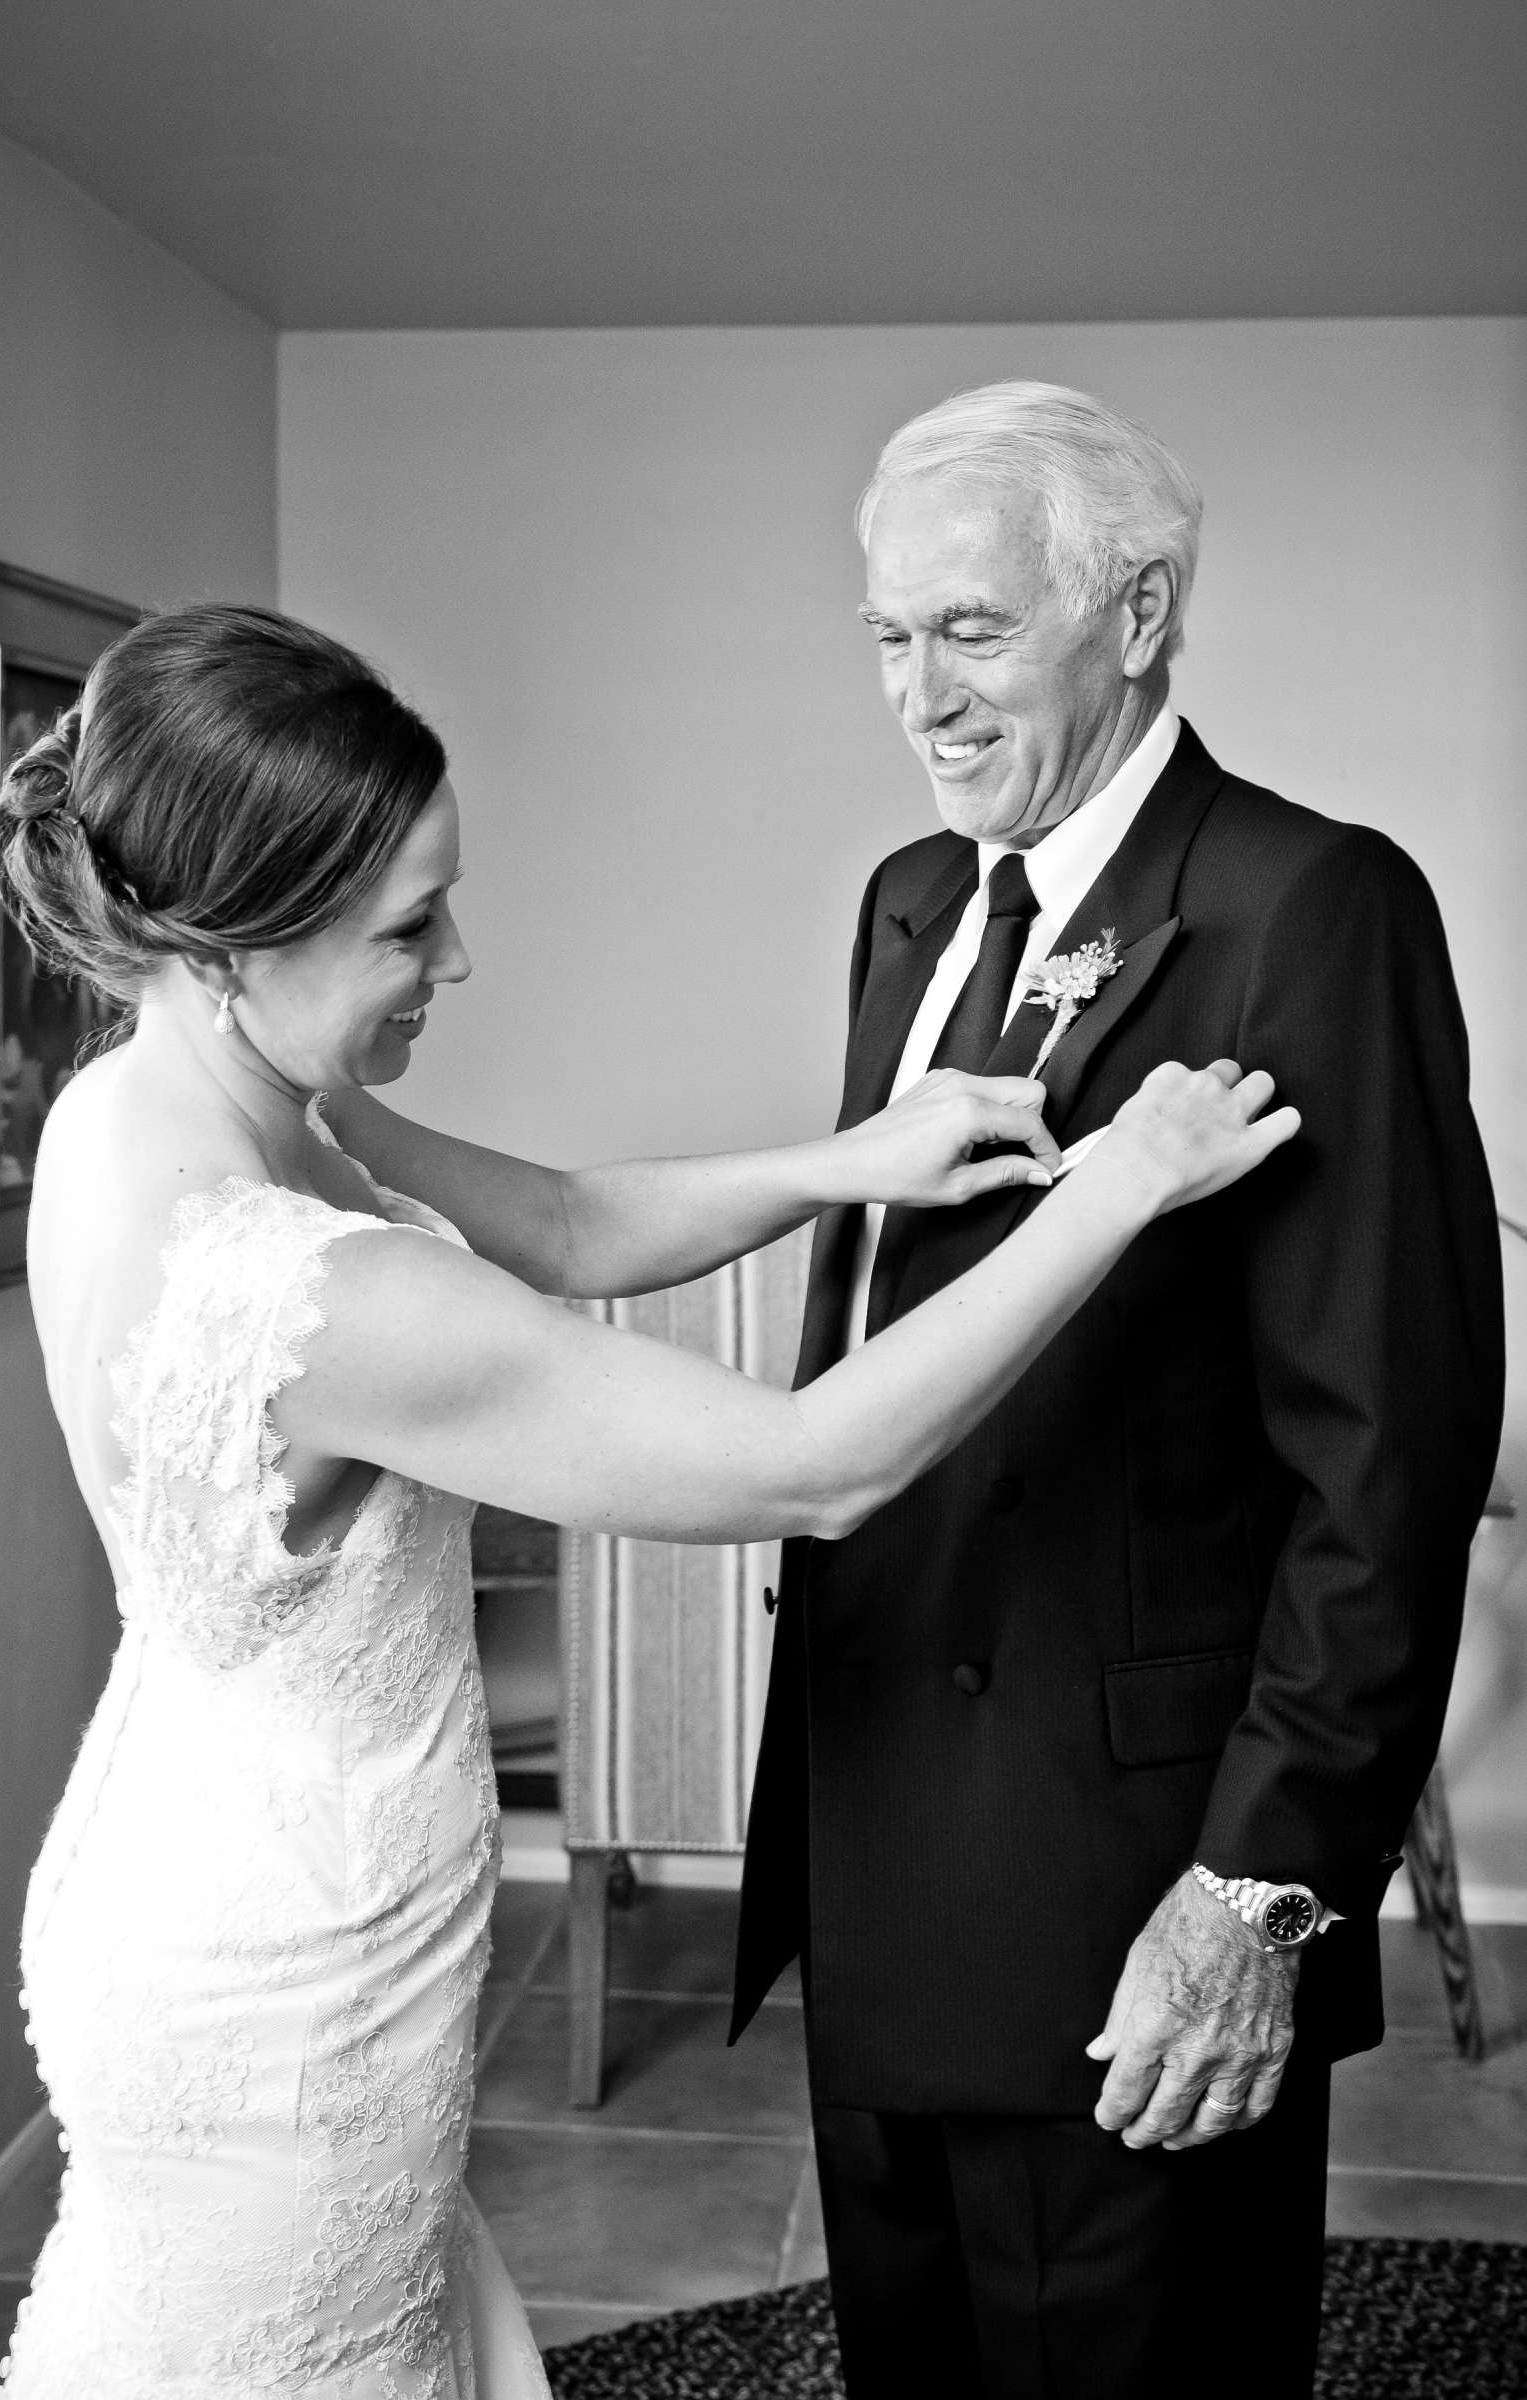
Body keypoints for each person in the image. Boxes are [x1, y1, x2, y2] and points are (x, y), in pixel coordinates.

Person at [0, 602, 1293, 2399]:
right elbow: (819, 1466)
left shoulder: (148, 1106)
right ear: (233, 942)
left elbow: (572, 1225)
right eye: (407, 925)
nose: (457, 954)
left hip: (184, 1849)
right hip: (291, 1974)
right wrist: (1120, 1182)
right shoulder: (316, 1297)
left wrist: (853, 1161)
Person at [730, 381, 1506, 2399]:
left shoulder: (1308, 908)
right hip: (880, 1814)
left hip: (1123, 1870)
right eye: (888, 639)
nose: (918, 694)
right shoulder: (906, 902)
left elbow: (1387, 1458)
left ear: (1137, 610)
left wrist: (1256, 1890)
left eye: (969, 631)